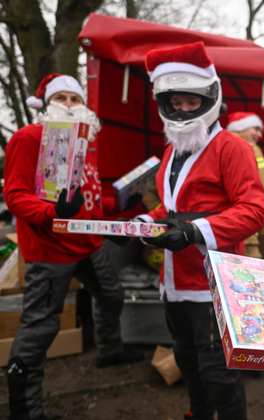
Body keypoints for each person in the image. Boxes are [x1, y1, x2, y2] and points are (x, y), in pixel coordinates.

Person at [135, 42, 264, 420]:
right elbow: (169, 207)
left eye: (192, 102)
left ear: (209, 99)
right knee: (186, 359)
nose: (182, 109)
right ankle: (198, 413)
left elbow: (254, 210)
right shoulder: (173, 152)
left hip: (212, 283)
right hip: (175, 281)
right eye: (176, 101)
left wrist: (194, 232)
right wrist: (144, 225)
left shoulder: (233, 148)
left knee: (217, 370)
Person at [4, 74, 144, 420]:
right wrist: (52, 211)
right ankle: (26, 409)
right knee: (41, 327)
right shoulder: (29, 137)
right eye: (61, 98)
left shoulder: (83, 143)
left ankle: (108, 352)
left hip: (88, 246)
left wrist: (124, 205)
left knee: (112, 296)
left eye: (75, 99)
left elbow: (90, 202)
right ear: (47, 105)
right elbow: (15, 196)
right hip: (50, 251)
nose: (69, 105)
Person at [227, 111, 264, 258]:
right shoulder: (249, 147)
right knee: (250, 273)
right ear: (241, 127)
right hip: (244, 225)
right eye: (256, 129)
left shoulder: (221, 145)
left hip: (225, 224)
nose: (259, 135)